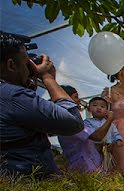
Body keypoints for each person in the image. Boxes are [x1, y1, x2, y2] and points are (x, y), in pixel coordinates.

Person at [0, 34, 83, 176]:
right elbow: (73, 122)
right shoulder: (14, 96)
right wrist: (48, 77)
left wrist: (26, 84)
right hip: (30, 185)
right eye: (27, 62)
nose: (31, 67)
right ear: (11, 65)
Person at [59, 96, 123, 173]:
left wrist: (118, 140)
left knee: (109, 167)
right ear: (89, 109)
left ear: (107, 111)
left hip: (108, 151)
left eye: (102, 106)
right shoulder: (86, 123)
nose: (98, 108)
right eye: (95, 105)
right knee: (98, 167)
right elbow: (92, 136)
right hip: (94, 150)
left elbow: (115, 133)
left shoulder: (111, 124)